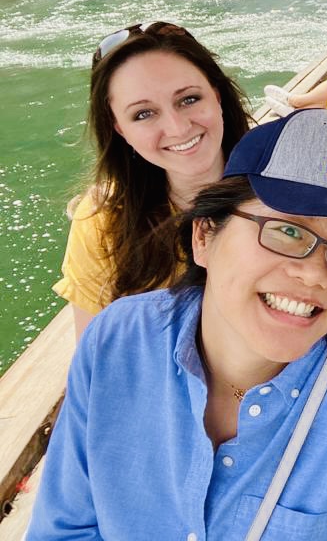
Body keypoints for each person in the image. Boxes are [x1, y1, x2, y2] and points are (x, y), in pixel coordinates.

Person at [27, 110, 327, 540]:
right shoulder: (116, 342)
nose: (317, 275)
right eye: (287, 230)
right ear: (204, 236)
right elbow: (65, 527)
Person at [53, 22, 251, 341]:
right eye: (143, 114)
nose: (177, 128)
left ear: (216, 94)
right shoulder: (104, 221)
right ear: (119, 128)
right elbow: (98, 357)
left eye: (188, 99)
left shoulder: (283, 182)